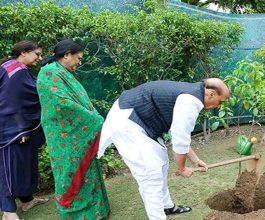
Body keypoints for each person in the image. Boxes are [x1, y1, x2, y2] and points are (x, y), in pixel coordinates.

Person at [98, 78, 230, 219]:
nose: (219, 105)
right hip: (127, 122)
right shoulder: (191, 101)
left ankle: (166, 206)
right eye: (220, 101)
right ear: (210, 94)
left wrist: (195, 160)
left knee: (162, 162)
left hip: (143, 122)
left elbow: (180, 135)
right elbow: (179, 140)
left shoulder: (193, 94)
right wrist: (182, 169)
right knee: (150, 174)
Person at [36, 39, 110, 219]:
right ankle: (77, 213)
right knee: (70, 170)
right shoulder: (49, 73)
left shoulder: (63, 72)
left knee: (88, 169)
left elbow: (79, 100)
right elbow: (62, 104)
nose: (79, 62)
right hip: (66, 136)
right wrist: (94, 119)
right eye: (78, 58)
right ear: (67, 54)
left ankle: (95, 210)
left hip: (78, 134)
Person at [0, 40, 48, 220]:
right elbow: (11, 102)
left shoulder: (13, 68)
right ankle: (8, 211)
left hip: (16, 127)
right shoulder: (16, 71)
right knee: (7, 169)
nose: (39, 58)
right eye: (37, 54)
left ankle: (27, 200)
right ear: (24, 53)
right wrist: (21, 128)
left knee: (24, 164)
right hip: (9, 130)